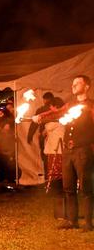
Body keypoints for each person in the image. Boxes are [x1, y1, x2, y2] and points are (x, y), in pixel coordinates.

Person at [34, 75, 94, 231]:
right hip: (67, 150)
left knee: (86, 188)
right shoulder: (70, 105)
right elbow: (57, 114)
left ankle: (88, 223)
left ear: (86, 86)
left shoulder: (91, 105)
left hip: (83, 150)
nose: (73, 86)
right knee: (68, 187)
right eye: (73, 83)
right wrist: (40, 118)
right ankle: (72, 221)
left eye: (77, 83)